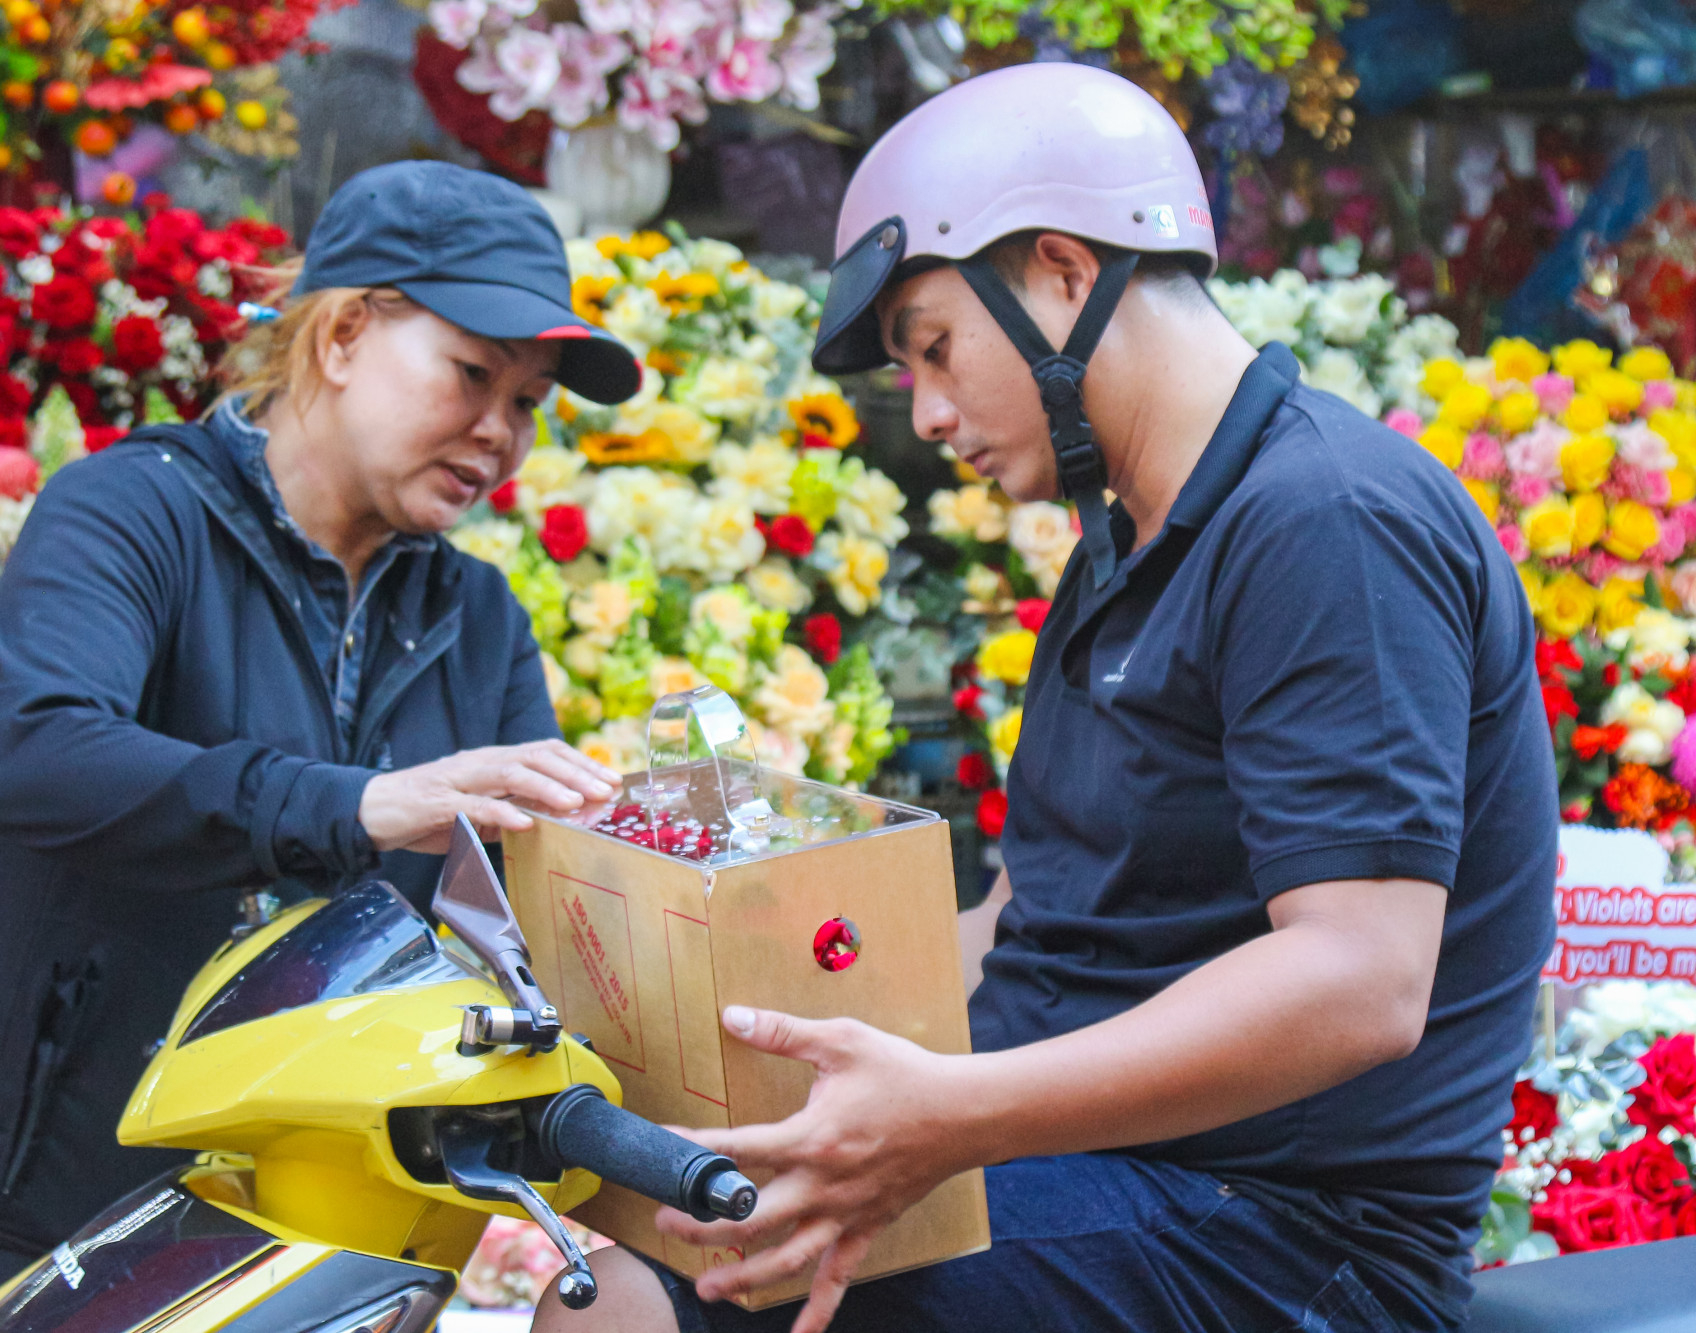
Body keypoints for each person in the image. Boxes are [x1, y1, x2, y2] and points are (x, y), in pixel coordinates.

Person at [537, 63, 1556, 1333]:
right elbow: (1021, 924)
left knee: (645, 1295)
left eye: (933, 347)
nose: (930, 410)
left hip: (1280, 1239)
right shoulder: (1124, 546)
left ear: (1064, 274)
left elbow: (1358, 977)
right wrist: (694, 1019)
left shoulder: (1323, 519)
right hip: (1101, 1181)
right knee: (640, 1238)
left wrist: (944, 1116)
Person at [0, 161, 641, 1331]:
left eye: (529, 401)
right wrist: (356, 804)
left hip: (337, 1235)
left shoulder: (476, 614)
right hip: (53, 1209)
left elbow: (516, 912)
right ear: (342, 333)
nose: (500, 432)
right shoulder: (127, 512)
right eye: (473, 374)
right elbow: (39, 755)